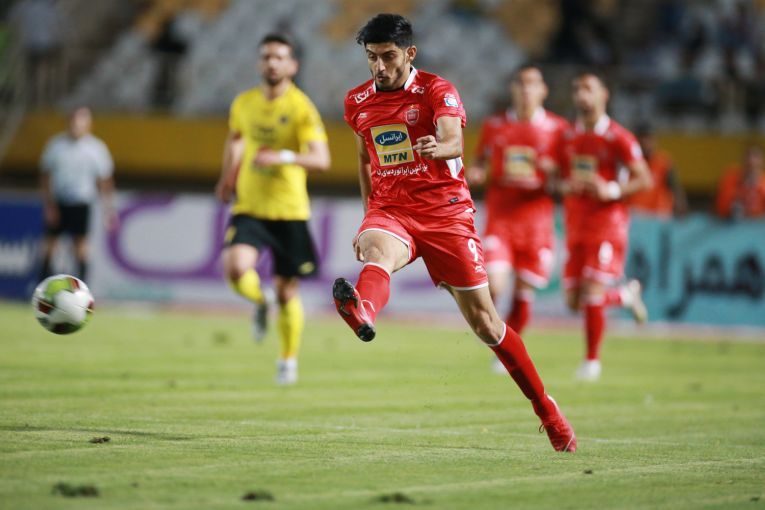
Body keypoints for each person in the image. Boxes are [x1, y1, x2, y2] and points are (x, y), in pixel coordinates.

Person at [333, 14, 576, 452]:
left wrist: (437, 146)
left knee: (486, 324)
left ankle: (547, 409)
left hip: (446, 215)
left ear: (410, 53)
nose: (380, 67)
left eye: (388, 56)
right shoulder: (356, 102)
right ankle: (363, 310)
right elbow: (365, 159)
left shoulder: (437, 90)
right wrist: (369, 215)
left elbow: (454, 142)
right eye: (372, 57)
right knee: (376, 250)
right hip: (393, 209)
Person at [215, 33, 330, 385]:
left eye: (280, 57)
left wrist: (281, 156)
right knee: (236, 268)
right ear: (259, 63)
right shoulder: (244, 103)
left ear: (292, 66)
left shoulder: (301, 108)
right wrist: (227, 176)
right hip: (250, 205)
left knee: (287, 291)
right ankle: (260, 301)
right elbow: (236, 139)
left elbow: (321, 160)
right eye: (266, 56)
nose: (272, 63)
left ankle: (287, 359)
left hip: (289, 210)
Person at [466, 64, 568, 375]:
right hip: (501, 220)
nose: (526, 89)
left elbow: (566, 180)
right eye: (521, 83)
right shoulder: (495, 125)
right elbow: (479, 162)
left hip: (537, 224)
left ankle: (507, 353)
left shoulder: (558, 129)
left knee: (524, 290)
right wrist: (477, 173)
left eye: (532, 83)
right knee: (494, 282)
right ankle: (496, 337)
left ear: (543, 90)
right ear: (513, 89)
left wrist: (554, 174)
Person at [560, 71, 653, 381]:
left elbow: (644, 178)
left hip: (607, 225)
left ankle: (591, 362)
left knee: (592, 290)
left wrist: (611, 189)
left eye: (588, 88)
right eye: (577, 88)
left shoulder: (618, 137)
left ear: (604, 95)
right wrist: (564, 184)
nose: (581, 94)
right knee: (574, 302)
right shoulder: (568, 136)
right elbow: (558, 177)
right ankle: (625, 296)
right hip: (576, 224)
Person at [39, 107, 116, 283]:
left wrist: (108, 209)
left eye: (81, 122)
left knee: (81, 246)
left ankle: (82, 286)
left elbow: (104, 180)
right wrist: (49, 204)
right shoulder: (56, 145)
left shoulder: (96, 148)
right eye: (73, 121)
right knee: (50, 245)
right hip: (59, 202)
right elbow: (46, 175)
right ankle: (42, 285)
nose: (76, 126)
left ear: (89, 125)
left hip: (81, 202)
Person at [628, 124, 687, 218]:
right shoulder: (630, 163)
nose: (645, 142)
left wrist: (680, 207)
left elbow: (675, 188)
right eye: (642, 138)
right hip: (634, 215)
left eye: (648, 138)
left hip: (657, 216)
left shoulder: (663, 162)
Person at [715, 144, 765, 220]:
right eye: (748, 157)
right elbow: (721, 207)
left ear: (761, 161)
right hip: (735, 223)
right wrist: (731, 208)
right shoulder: (731, 179)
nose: (751, 161)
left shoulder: (763, 184)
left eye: (755, 157)